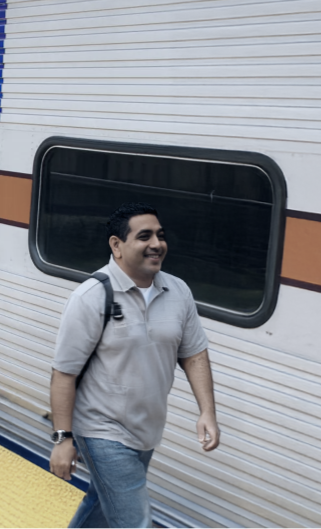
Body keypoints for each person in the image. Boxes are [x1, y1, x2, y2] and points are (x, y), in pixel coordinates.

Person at [49, 202, 220, 529]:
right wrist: (63, 439)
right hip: (101, 428)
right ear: (117, 245)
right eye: (145, 236)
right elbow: (64, 374)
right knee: (134, 519)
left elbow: (194, 353)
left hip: (146, 428)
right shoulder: (91, 297)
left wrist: (207, 411)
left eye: (160, 235)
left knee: (101, 504)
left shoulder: (177, 291)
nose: (157, 243)